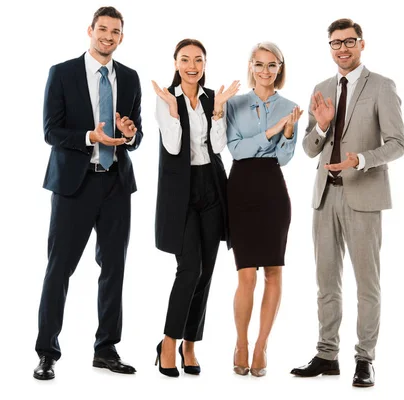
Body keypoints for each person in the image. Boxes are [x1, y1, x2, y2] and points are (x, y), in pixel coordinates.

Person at [290, 18, 404, 387]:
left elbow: (398, 144)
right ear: (329, 47)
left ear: (362, 44)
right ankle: (327, 355)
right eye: (335, 43)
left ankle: (364, 358)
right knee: (326, 281)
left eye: (349, 41)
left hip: (364, 194)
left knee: (366, 282)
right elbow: (309, 149)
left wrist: (362, 159)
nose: (342, 48)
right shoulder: (322, 88)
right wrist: (322, 126)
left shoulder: (382, 87)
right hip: (325, 195)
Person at [33, 6, 143, 380]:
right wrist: (89, 137)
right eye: (103, 29)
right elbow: (51, 131)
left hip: (116, 184)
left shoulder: (129, 78)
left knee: (114, 269)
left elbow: (137, 134)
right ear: (90, 30)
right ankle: (47, 351)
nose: (108, 37)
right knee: (59, 269)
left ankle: (106, 349)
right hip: (73, 186)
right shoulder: (62, 73)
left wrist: (128, 133)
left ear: (121, 37)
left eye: (115, 32)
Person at [152, 39, 240, 378]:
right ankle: (168, 341)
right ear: (175, 63)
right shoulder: (166, 98)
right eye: (185, 59)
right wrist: (174, 113)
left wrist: (218, 109)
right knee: (189, 269)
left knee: (206, 271)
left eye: (198, 59)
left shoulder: (210, 98)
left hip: (212, 187)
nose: (192, 65)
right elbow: (173, 146)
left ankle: (190, 343)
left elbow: (218, 146)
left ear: (205, 63)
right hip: (181, 193)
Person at [226, 42, 303, 377]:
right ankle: (241, 342)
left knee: (274, 271)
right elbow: (235, 149)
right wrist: (271, 132)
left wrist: (287, 132)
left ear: (280, 68)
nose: (266, 71)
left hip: (273, 190)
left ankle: (261, 345)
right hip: (240, 188)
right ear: (251, 66)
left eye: (273, 65)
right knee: (245, 274)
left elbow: (284, 157)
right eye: (260, 64)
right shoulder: (234, 104)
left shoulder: (290, 106)